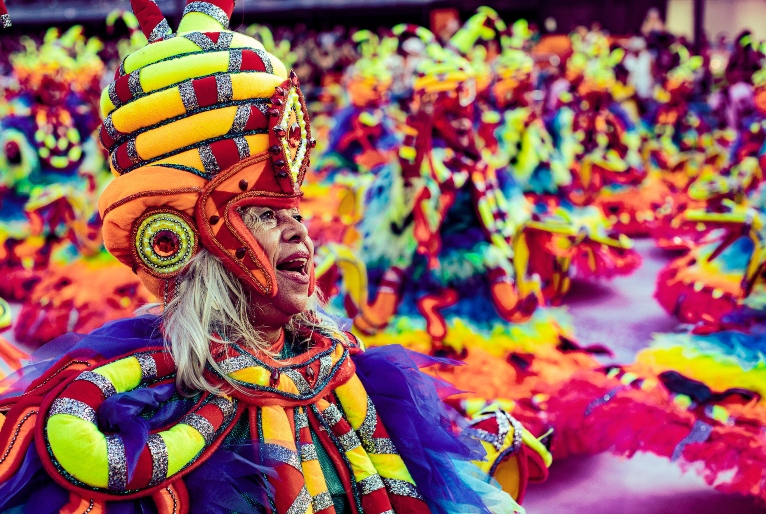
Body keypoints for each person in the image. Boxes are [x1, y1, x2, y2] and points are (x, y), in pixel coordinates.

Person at [0, 1, 531, 512]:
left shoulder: (338, 357)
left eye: (296, 214)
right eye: (265, 217)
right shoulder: (143, 397)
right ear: (178, 241)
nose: (299, 233)